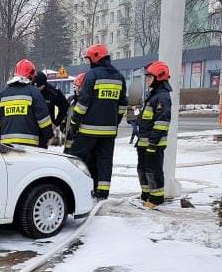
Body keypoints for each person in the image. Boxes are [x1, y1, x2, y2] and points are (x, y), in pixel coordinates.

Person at [68, 43, 128, 199]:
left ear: (96, 58)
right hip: (109, 131)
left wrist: (74, 123)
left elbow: (83, 103)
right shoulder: (119, 77)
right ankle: (102, 192)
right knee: (105, 161)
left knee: (75, 158)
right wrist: (114, 122)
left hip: (88, 130)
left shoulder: (92, 75)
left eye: (89, 59)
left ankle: (75, 188)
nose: (89, 62)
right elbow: (122, 105)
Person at [0, 59, 53, 148]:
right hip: (30, 146)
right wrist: (48, 136)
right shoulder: (34, 93)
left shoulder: (2, 94)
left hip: (7, 146)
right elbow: (44, 120)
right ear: (31, 76)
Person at [136, 61, 172, 208]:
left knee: (153, 171)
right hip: (145, 142)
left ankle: (156, 199)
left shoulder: (162, 97)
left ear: (159, 77)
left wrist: (153, 143)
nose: (147, 79)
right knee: (143, 169)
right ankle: (146, 195)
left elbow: (161, 122)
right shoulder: (153, 96)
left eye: (150, 77)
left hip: (154, 144)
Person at [33, 71, 69, 147]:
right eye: (34, 87)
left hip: (45, 130)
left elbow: (64, 106)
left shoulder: (53, 92)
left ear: (44, 84)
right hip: (30, 128)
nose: (36, 89)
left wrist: (56, 123)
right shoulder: (29, 89)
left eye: (38, 87)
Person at [63, 72, 86, 152]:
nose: (74, 89)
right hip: (68, 141)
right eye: (74, 86)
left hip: (82, 143)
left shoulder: (87, 102)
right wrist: (63, 123)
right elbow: (65, 114)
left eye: (76, 87)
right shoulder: (71, 100)